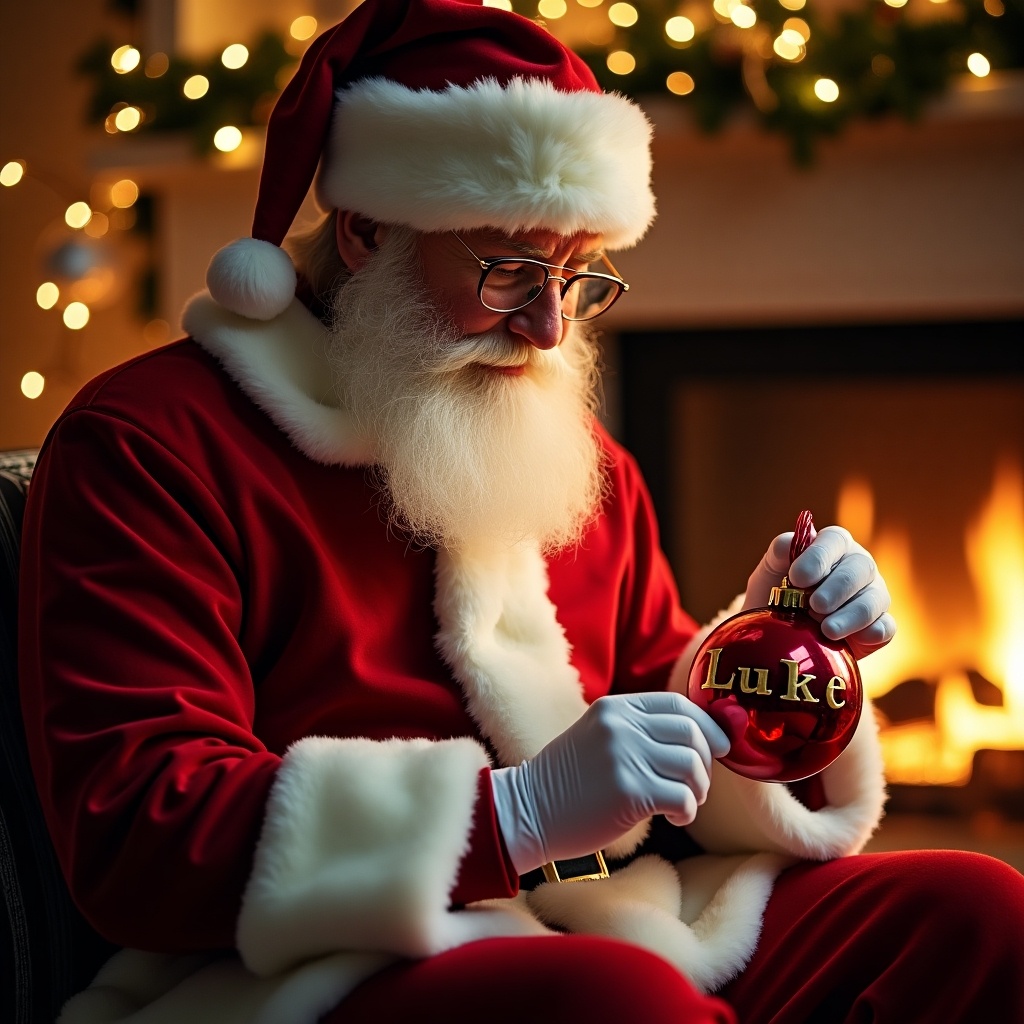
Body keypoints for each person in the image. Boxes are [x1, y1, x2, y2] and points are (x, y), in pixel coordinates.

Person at [17, 1, 1023, 1022]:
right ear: (365, 229)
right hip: (307, 969)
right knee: (614, 1001)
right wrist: (515, 812)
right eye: (507, 269)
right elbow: (138, 829)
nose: (547, 328)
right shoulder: (150, 442)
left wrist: (771, 654)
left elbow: (663, 749)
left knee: (979, 910)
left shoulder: (571, 460)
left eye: (577, 274)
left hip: (611, 915)